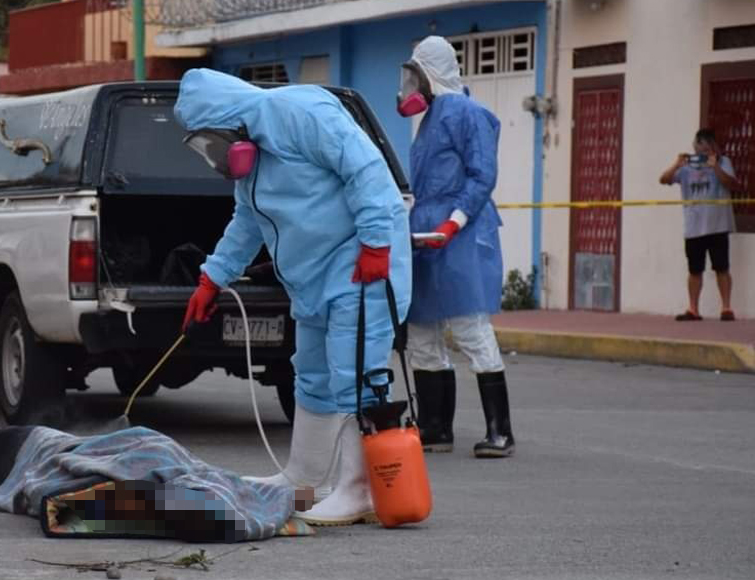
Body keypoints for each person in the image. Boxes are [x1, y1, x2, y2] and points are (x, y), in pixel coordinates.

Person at [175, 68, 412, 526]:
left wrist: (377, 242)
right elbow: (246, 224)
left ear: (232, 119)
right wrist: (212, 279)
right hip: (313, 280)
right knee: (313, 374)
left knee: (356, 374)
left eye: (212, 140)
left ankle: (359, 488)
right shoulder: (253, 167)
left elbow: (364, 168)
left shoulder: (298, 112)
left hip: (360, 264)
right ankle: (305, 480)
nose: (215, 154)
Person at [397, 36, 515, 459]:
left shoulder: (466, 112)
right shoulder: (429, 120)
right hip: (428, 236)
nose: (411, 83)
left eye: (417, 73)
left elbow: (482, 175)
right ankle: (435, 427)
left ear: (433, 72)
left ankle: (500, 430)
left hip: (461, 233)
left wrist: (455, 220)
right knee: (423, 332)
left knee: (469, 327)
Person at [659, 129, 739, 322]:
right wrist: (677, 164)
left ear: (712, 147)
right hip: (694, 228)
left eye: (705, 147)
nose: (701, 151)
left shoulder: (723, 162)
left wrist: (715, 167)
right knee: (695, 270)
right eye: (698, 147)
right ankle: (693, 309)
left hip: (718, 226)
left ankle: (726, 308)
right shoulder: (686, 167)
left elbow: (732, 184)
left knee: (722, 268)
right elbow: (664, 179)